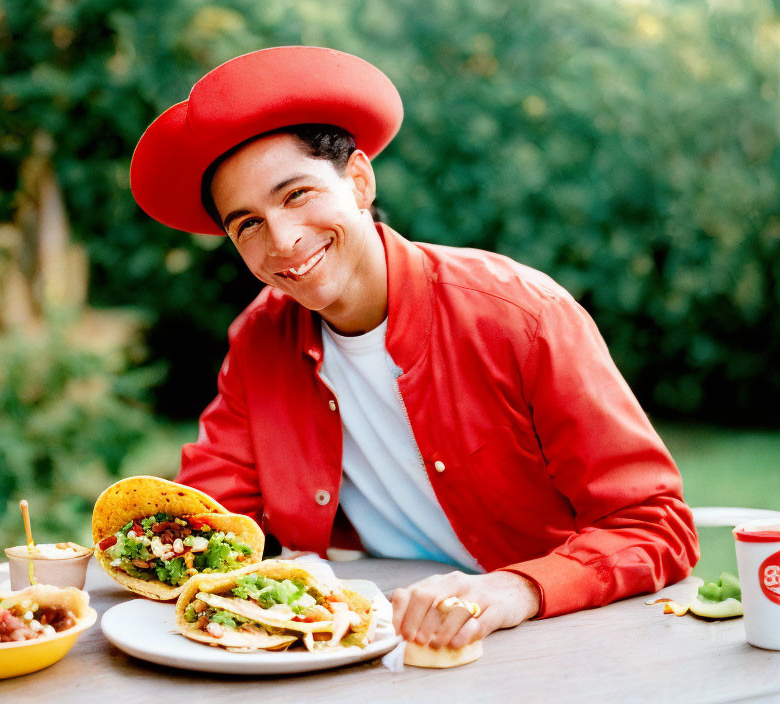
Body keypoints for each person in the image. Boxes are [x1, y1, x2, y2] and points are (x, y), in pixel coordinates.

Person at [129, 46, 699, 652]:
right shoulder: (258, 339)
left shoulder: (522, 315)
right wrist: (140, 545)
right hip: (380, 647)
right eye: (247, 224)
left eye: (296, 195)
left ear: (359, 180)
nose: (284, 240)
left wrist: (515, 590)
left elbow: (655, 526)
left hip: (552, 637)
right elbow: (213, 522)